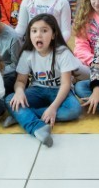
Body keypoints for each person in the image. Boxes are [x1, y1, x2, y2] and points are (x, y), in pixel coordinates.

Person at [5, 14, 82, 147]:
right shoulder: (27, 54)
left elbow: (65, 84)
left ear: (53, 35)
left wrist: (53, 108)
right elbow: (21, 81)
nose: (38, 35)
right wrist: (19, 92)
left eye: (44, 30)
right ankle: (37, 126)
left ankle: (23, 116)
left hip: (60, 91)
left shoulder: (62, 52)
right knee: (10, 99)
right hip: (37, 90)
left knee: (74, 110)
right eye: (34, 31)